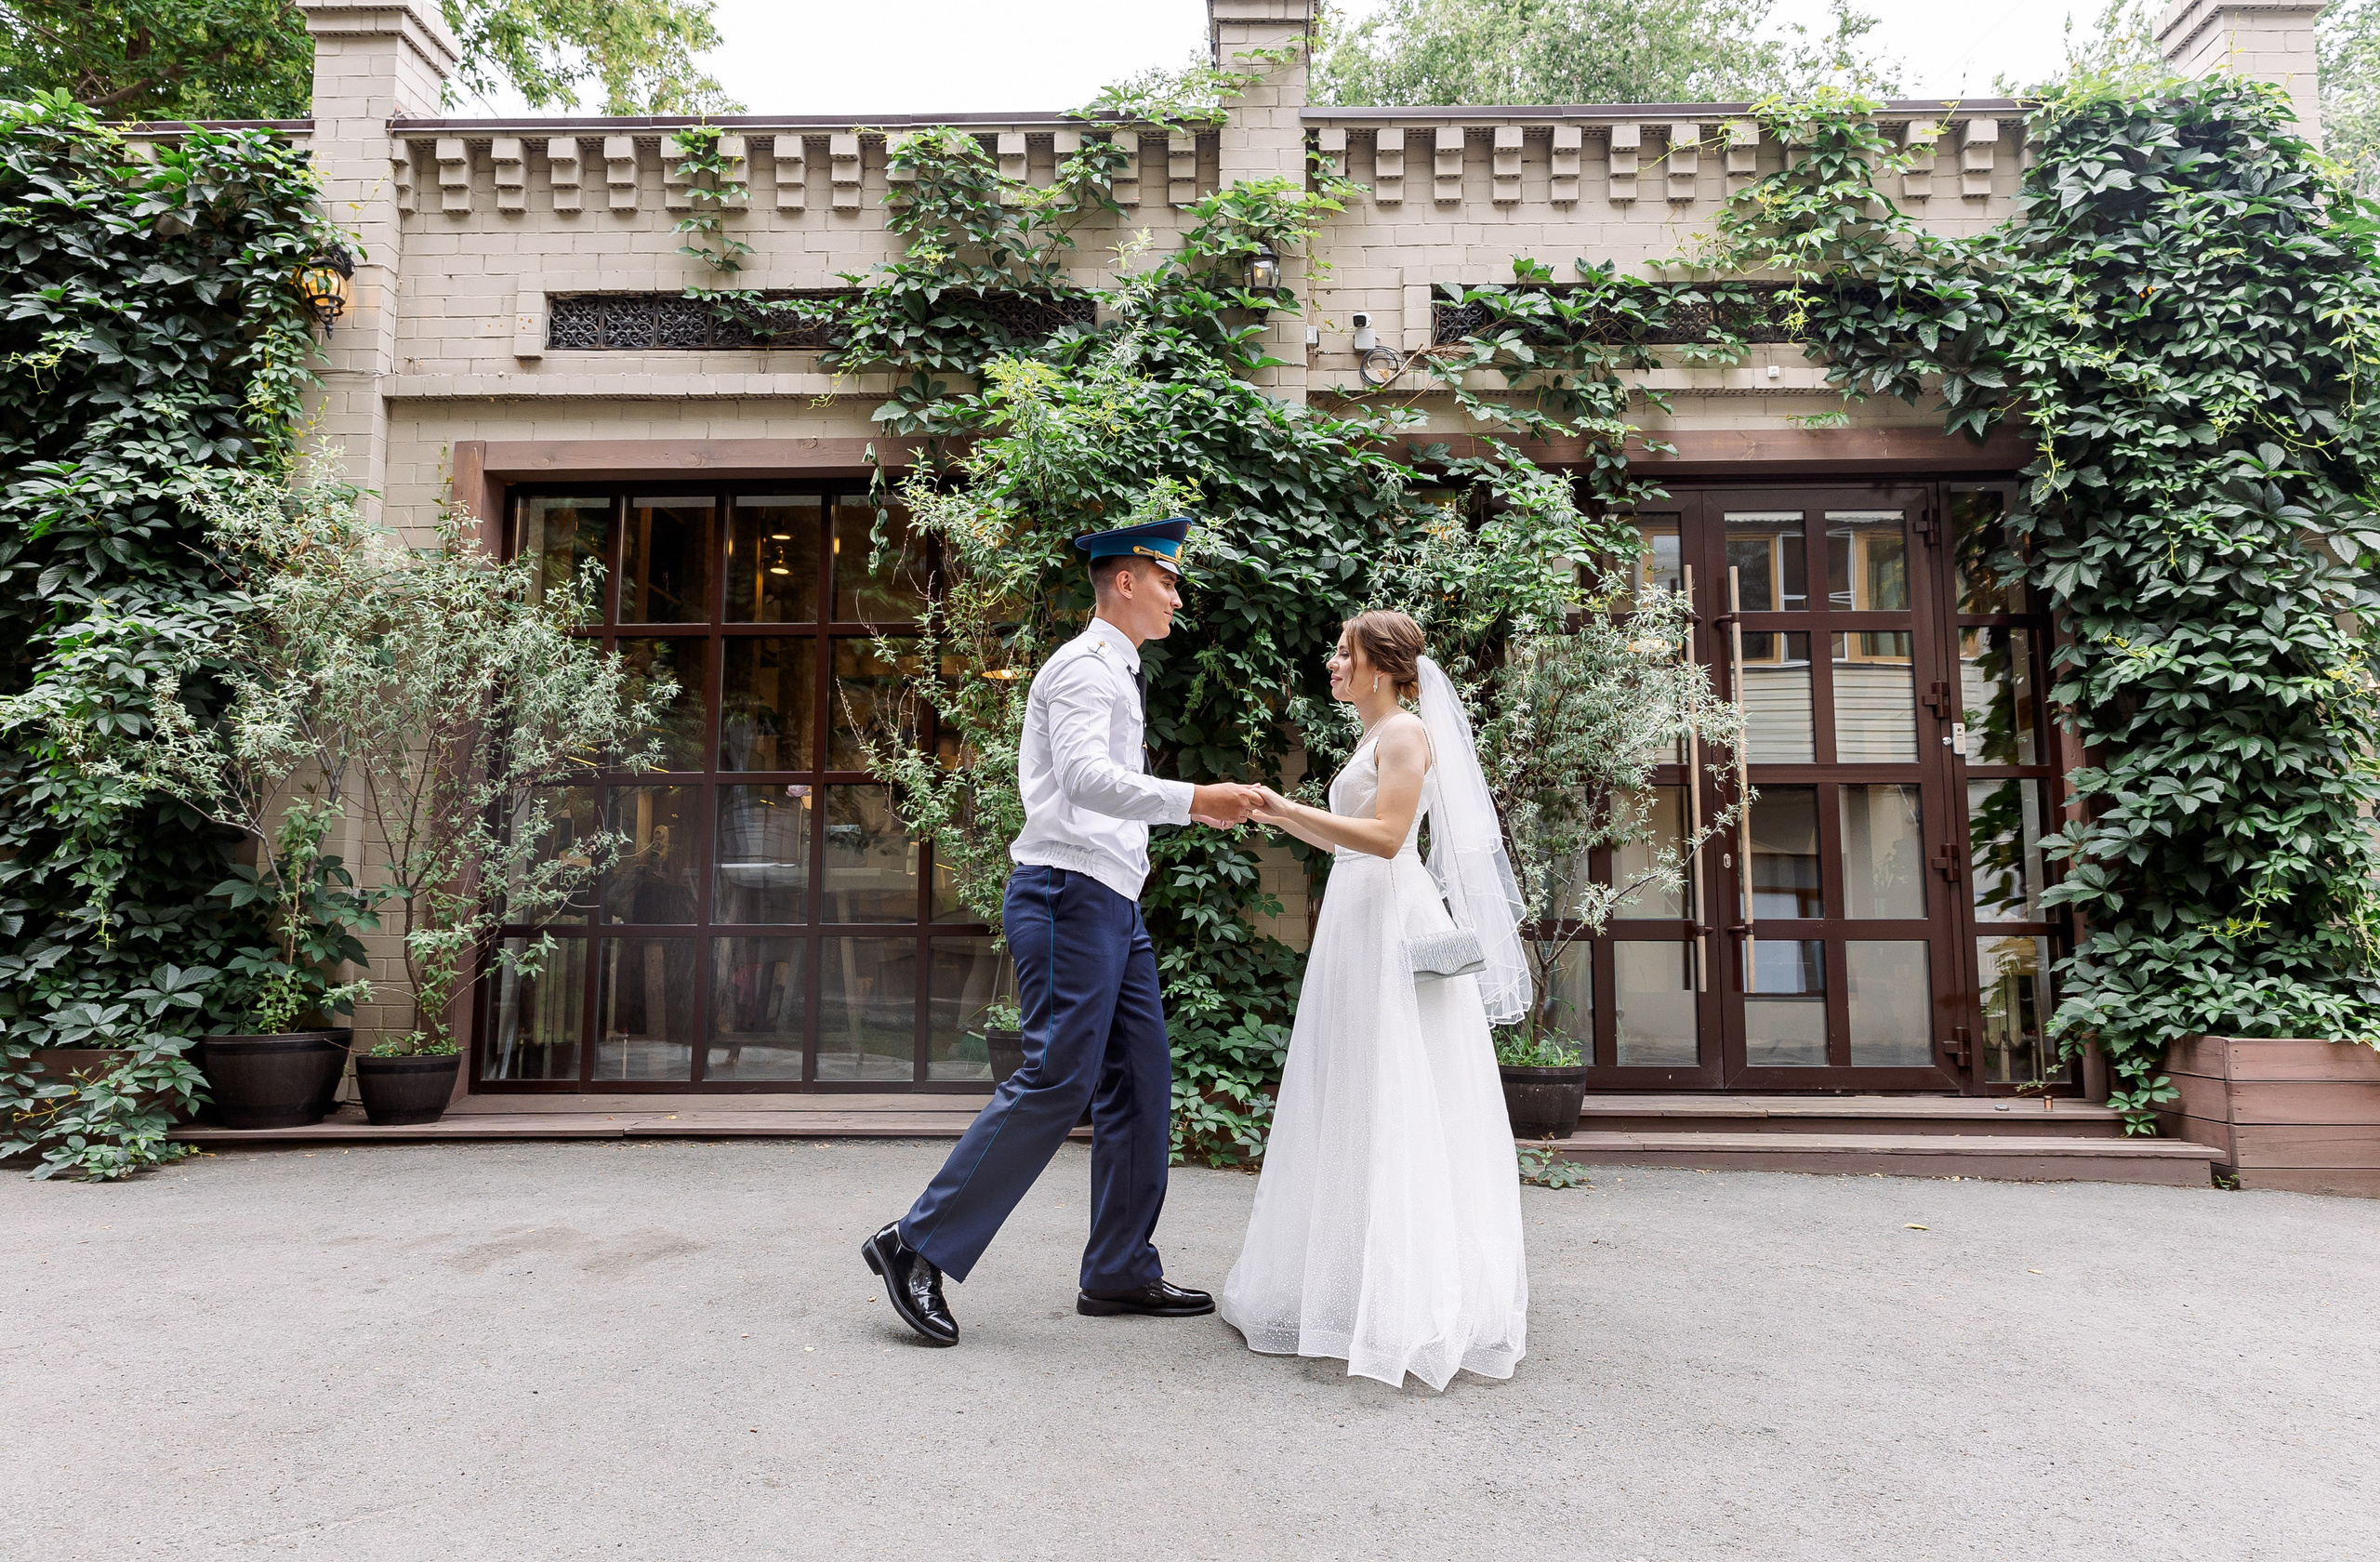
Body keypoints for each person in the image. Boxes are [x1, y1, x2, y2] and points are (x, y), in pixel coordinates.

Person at [862, 517, 1264, 1347]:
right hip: (1065, 891)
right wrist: (1195, 798)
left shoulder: (1118, 668)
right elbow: (1084, 780)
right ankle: (915, 1243)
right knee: (1056, 1077)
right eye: (1168, 581)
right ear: (1126, 581)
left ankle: (1118, 1268)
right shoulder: (1085, 669)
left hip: (1109, 897)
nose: (1177, 596)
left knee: (1143, 1081)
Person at [1221, 610, 1531, 1391]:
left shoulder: (1403, 734)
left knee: (1398, 1093)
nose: (1332, 664)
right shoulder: (1372, 737)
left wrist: (1290, 808)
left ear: (1381, 668)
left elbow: (1389, 837)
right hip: (1356, 920)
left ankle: (1408, 1295)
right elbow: (1346, 837)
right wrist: (1277, 814)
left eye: (1343, 653)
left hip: (1392, 921)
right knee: (1354, 1089)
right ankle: (1352, 1280)